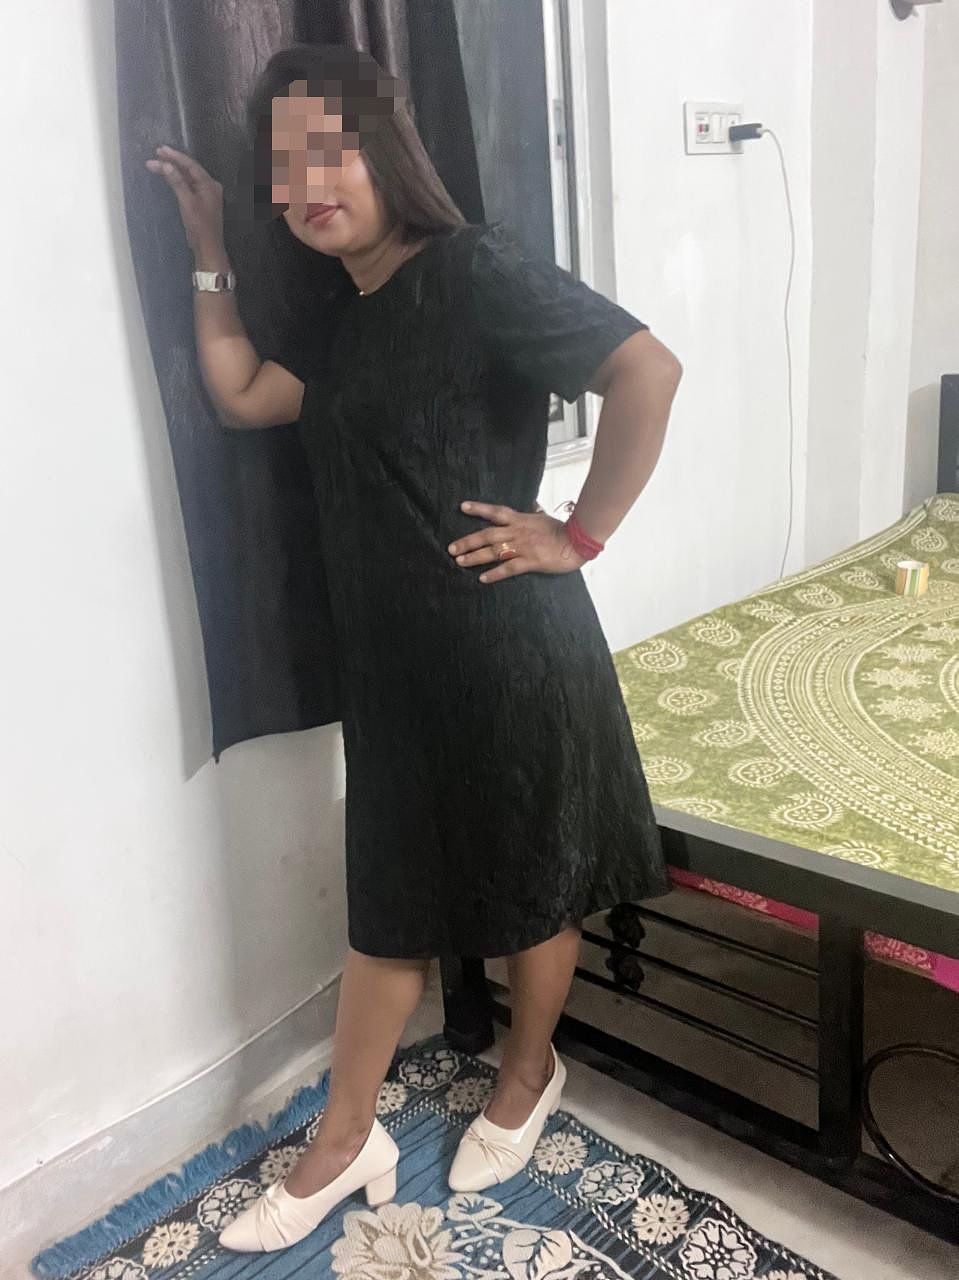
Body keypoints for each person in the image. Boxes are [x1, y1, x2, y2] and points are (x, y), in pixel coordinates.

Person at [148, 43, 681, 1255]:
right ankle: (350, 1134)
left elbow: (645, 370)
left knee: (530, 880)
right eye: (281, 170)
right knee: (387, 907)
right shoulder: (341, 324)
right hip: (389, 673)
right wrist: (210, 242)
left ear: (384, 147)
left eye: (324, 152)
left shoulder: (475, 269)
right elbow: (238, 392)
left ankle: (527, 1070)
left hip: (507, 648)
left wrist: (577, 534)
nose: (304, 186)